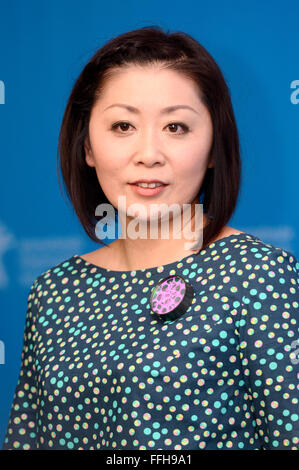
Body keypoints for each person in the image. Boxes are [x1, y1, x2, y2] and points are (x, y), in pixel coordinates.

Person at [2, 26, 298, 451]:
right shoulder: (54, 291)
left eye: (176, 127)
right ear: (87, 146)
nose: (149, 153)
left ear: (214, 147)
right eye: (122, 125)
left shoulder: (258, 276)